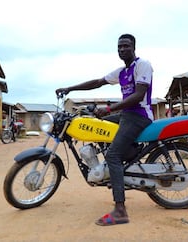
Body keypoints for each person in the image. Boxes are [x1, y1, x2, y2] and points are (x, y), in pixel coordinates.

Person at [55, 34, 153, 226]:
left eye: (126, 46)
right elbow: (98, 82)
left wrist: (110, 108)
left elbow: (139, 94)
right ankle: (122, 159)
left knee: (113, 156)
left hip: (139, 116)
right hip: (126, 115)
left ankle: (120, 210)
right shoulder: (122, 71)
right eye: (119, 47)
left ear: (134, 47)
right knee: (98, 126)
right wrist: (69, 88)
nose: (122, 49)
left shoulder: (142, 65)